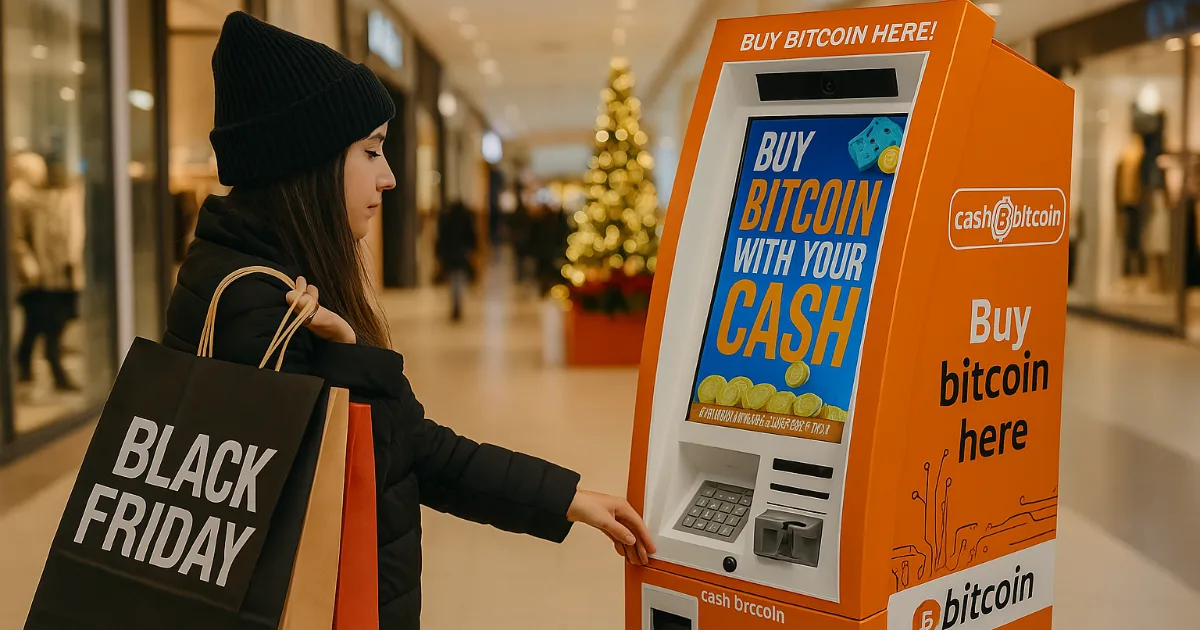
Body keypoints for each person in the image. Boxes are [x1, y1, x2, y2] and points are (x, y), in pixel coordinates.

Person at [162, 13, 654, 628]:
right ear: (305, 162)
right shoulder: (259, 304)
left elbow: (407, 446)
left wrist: (566, 497)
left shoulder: (274, 280)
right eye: (370, 151)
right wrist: (351, 361)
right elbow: (327, 491)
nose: (389, 177)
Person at [8, 151, 84, 391]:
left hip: (57, 275)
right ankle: (51, 370)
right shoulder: (19, 198)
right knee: (46, 324)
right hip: (38, 277)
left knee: (39, 325)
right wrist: (30, 266)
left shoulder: (55, 197)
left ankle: (25, 367)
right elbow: (18, 238)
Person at [435, 200, 477, 321]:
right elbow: (471, 236)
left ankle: (455, 305)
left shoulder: (447, 219)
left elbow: (441, 238)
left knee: (453, 281)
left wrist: (440, 253)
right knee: (460, 280)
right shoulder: (466, 219)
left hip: (450, 255)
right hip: (462, 255)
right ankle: (458, 305)